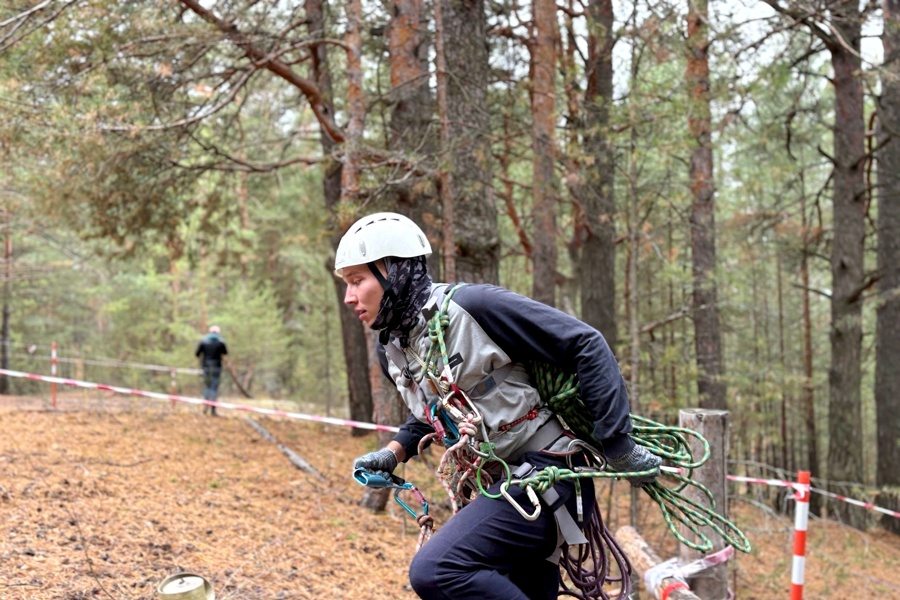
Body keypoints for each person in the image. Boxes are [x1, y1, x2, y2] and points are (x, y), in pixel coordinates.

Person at [337, 212, 661, 600]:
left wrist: (618, 446)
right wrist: (393, 453)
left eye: (358, 281)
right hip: (502, 485)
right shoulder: (394, 347)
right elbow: (437, 412)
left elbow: (585, 344)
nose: (349, 297)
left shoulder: (474, 307)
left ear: (394, 272)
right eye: (346, 284)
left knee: (437, 570)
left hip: (547, 475)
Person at [196, 325, 228, 416]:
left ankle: (205, 407)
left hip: (206, 367)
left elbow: (197, 354)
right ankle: (213, 409)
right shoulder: (221, 342)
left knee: (207, 386)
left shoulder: (203, 341)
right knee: (214, 387)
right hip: (217, 367)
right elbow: (225, 353)